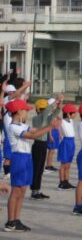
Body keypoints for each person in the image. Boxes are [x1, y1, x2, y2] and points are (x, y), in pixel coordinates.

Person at [5, 99, 60, 232]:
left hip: (26, 157)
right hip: (18, 158)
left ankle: (17, 219)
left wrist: (48, 123)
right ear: (17, 112)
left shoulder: (22, 125)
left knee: (22, 190)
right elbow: (33, 135)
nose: (26, 113)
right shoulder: (13, 127)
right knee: (16, 191)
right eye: (24, 111)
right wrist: (50, 127)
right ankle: (10, 221)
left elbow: (35, 130)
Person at [30, 95, 62, 199]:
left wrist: (59, 103)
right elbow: (47, 112)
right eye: (43, 109)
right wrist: (55, 101)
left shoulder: (45, 118)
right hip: (38, 145)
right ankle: (34, 191)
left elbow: (55, 113)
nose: (45, 111)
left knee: (40, 169)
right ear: (38, 110)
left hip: (43, 144)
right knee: (36, 169)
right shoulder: (37, 118)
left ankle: (37, 190)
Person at [57, 104, 78, 190]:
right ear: (69, 114)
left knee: (68, 164)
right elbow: (56, 117)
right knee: (63, 164)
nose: (76, 115)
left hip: (72, 142)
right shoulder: (62, 121)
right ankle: (61, 182)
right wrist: (60, 134)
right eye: (74, 113)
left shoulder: (71, 121)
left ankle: (66, 181)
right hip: (66, 142)